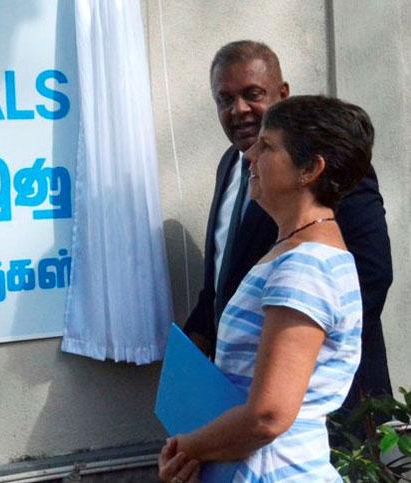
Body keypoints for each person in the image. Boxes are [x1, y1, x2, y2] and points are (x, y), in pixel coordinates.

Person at [159, 94, 375, 481]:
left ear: (310, 169)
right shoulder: (293, 252)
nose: (249, 156)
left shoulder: (305, 266)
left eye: (267, 146)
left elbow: (268, 415)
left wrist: (186, 447)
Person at [183, 40, 393, 411]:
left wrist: (291, 360)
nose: (240, 110)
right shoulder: (229, 167)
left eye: (253, 95)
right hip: (240, 402)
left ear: (283, 95)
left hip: (324, 405)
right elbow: (220, 283)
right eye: (225, 100)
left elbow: (370, 275)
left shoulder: (328, 168)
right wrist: (192, 359)